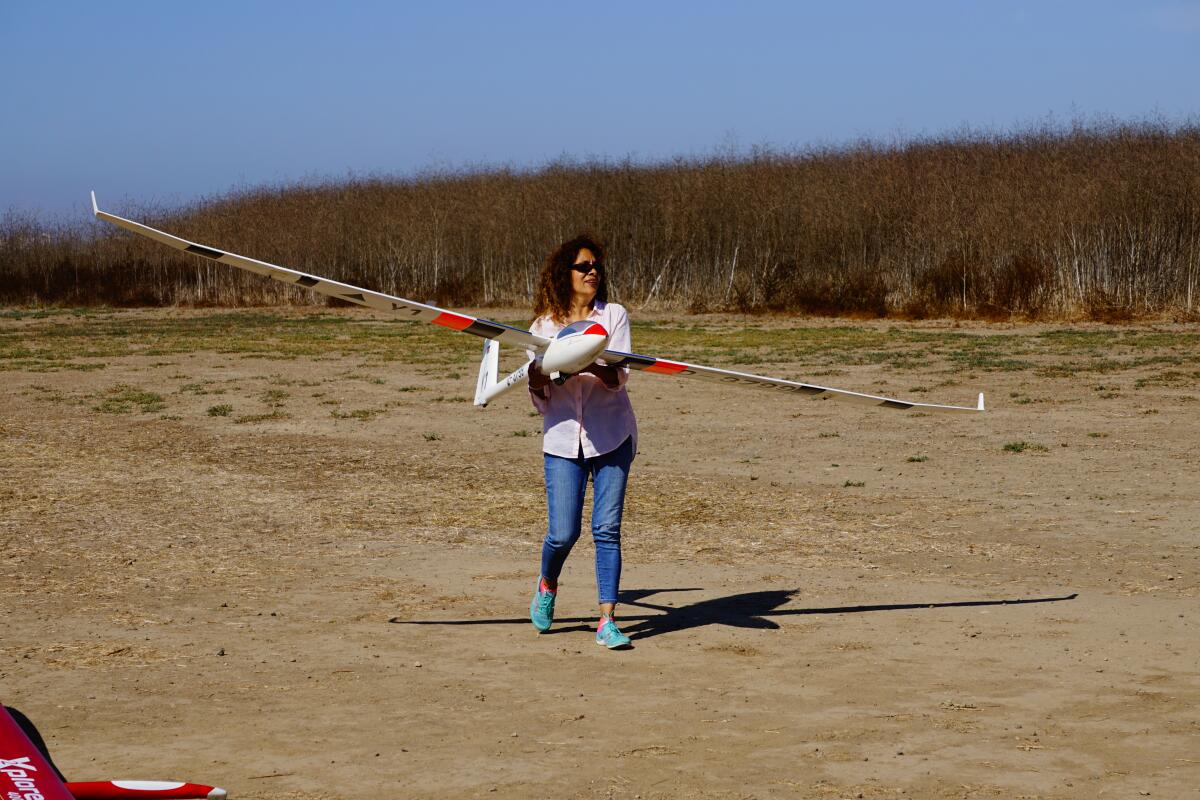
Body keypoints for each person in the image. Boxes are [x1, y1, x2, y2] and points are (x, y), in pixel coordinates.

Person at [526, 234, 637, 649]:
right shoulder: (542, 327)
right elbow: (540, 397)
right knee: (562, 532)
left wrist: (584, 357)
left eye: (596, 266)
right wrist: (542, 373)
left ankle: (606, 621)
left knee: (606, 529)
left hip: (612, 436)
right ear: (564, 274)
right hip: (561, 440)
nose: (593, 272)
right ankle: (547, 584)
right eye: (583, 266)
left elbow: (618, 378)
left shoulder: (614, 317)